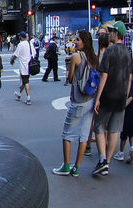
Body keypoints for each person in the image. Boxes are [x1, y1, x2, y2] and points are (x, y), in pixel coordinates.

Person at [52, 31, 98, 176]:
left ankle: (66, 165)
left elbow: (71, 78)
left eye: (77, 40)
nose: (75, 42)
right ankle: (76, 167)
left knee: (67, 134)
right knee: (84, 136)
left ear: (84, 41)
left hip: (77, 100)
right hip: (90, 100)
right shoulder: (94, 57)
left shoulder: (76, 56)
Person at [92, 21, 133, 176]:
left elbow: (104, 76)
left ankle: (102, 158)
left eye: (111, 31)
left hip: (108, 94)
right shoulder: (128, 53)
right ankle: (107, 162)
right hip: (121, 96)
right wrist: (126, 95)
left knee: (99, 127)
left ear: (117, 33)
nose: (109, 33)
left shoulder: (109, 51)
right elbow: (129, 77)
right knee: (115, 129)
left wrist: (98, 97)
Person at [86, 32, 111, 157]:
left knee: (93, 119)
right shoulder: (109, 55)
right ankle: (105, 144)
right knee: (105, 120)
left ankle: (88, 145)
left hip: (96, 90)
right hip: (107, 90)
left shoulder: (96, 56)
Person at [11, 31, 34, 105]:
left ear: (21, 37)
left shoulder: (20, 44)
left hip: (24, 66)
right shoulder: (29, 43)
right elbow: (34, 53)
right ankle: (19, 94)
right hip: (30, 65)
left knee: (25, 81)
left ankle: (28, 98)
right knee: (24, 80)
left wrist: (12, 60)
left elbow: (16, 55)